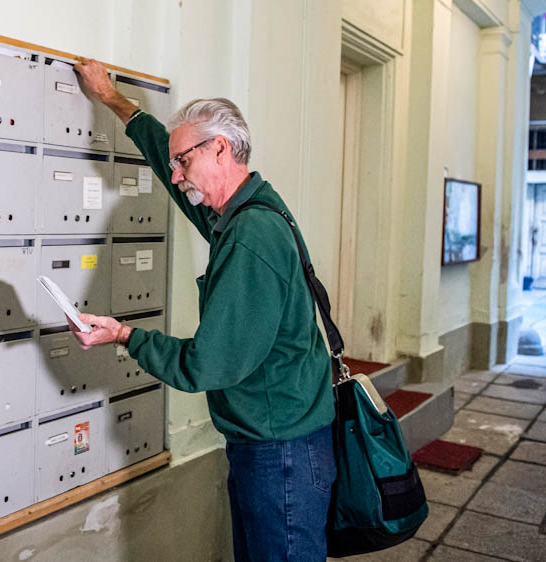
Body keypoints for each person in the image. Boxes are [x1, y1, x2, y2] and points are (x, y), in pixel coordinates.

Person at [70, 57, 336, 561]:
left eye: (184, 162)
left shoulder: (250, 235)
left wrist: (125, 336)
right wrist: (113, 100)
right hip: (277, 436)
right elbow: (173, 175)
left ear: (220, 148)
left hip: (281, 451)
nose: (175, 174)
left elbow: (206, 365)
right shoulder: (243, 208)